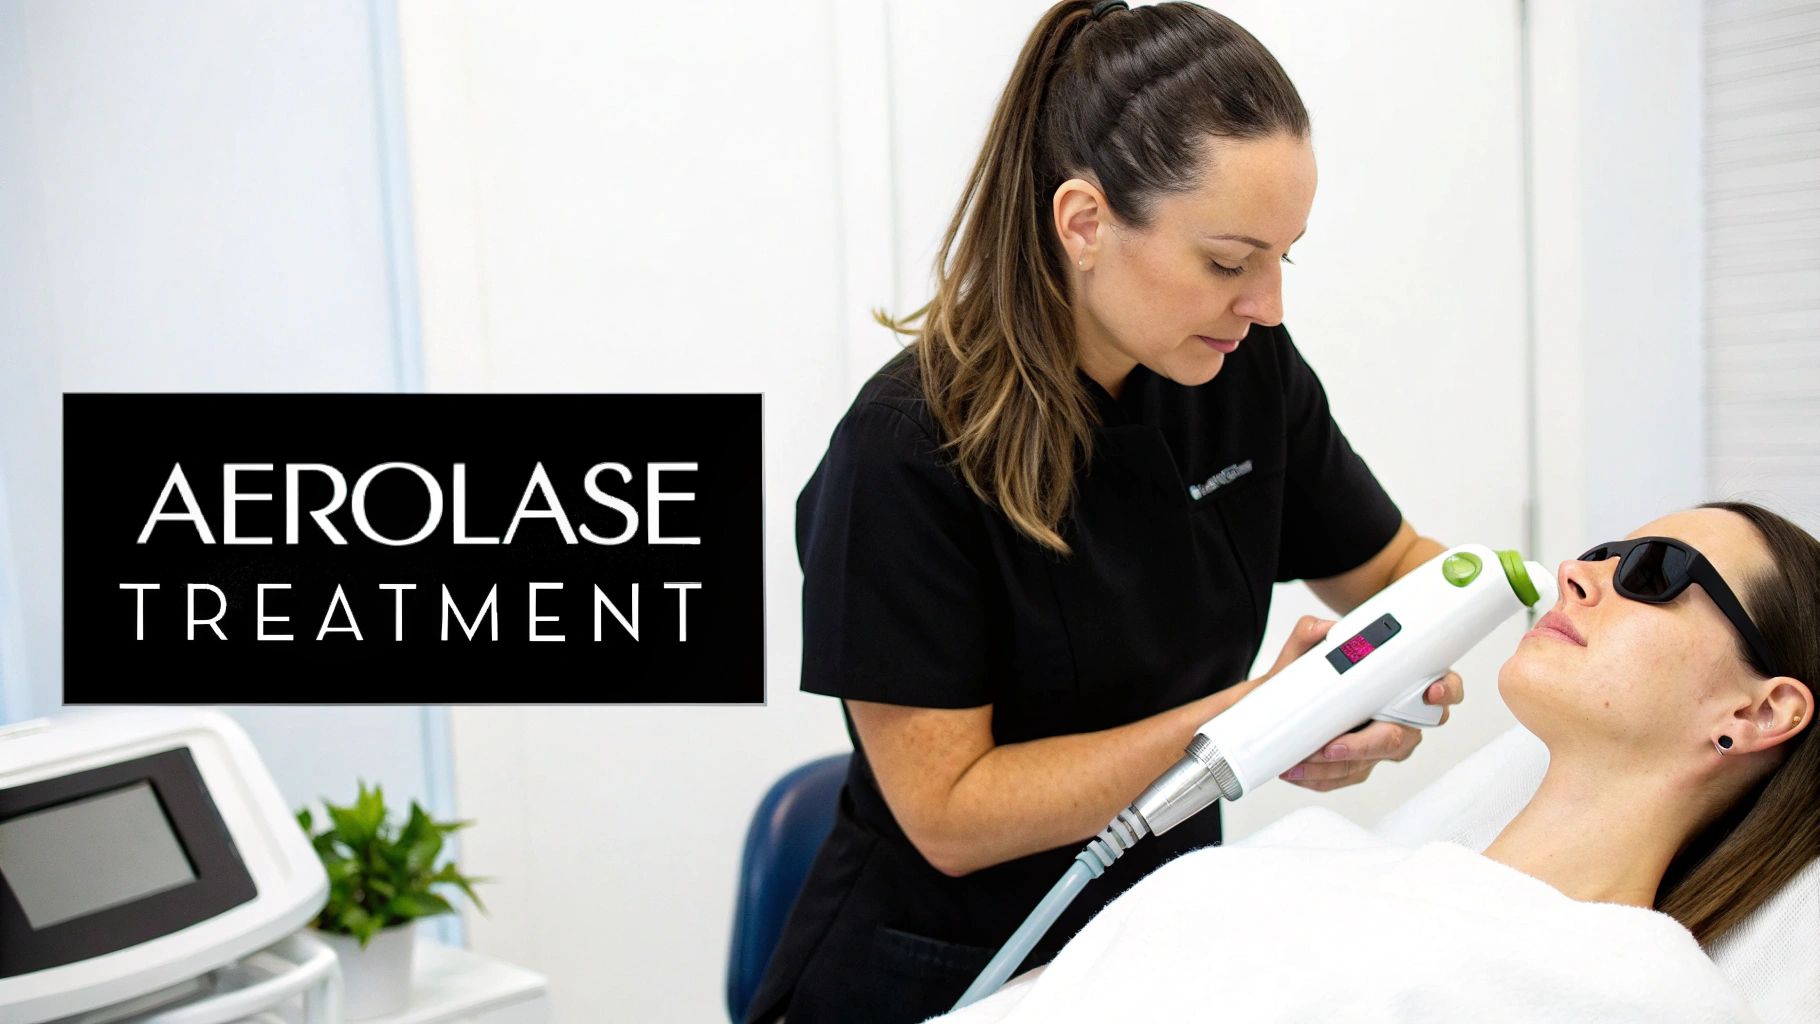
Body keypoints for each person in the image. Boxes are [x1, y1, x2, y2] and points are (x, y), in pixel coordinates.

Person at [744, 3, 1467, 1021]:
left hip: (1152, 945)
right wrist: (1254, 719)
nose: (1264, 304)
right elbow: (948, 812)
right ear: (1082, 222)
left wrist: (1402, 675)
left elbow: (1392, 563)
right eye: (1226, 261)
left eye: (1280, 257)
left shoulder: (1238, 371)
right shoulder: (904, 450)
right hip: (936, 974)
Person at [934, 502, 1818, 1023]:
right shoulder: (1313, 853)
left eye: (1657, 572)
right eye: (1602, 554)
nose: (1577, 574)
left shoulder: (1640, 994)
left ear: (1760, 709)